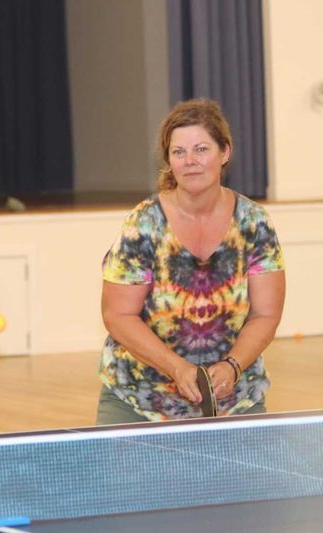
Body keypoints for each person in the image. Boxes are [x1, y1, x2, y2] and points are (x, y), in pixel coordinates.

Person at [97, 98, 285, 424]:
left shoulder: (254, 222)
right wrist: (178, 368)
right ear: (169, 160)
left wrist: (233, 365)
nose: (190, 161)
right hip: (138, 399)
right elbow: (118, 314)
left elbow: (266, 313)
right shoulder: (143, 224)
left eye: (201, 149)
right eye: (179, 152)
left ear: (224, 152)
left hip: (237, 399)